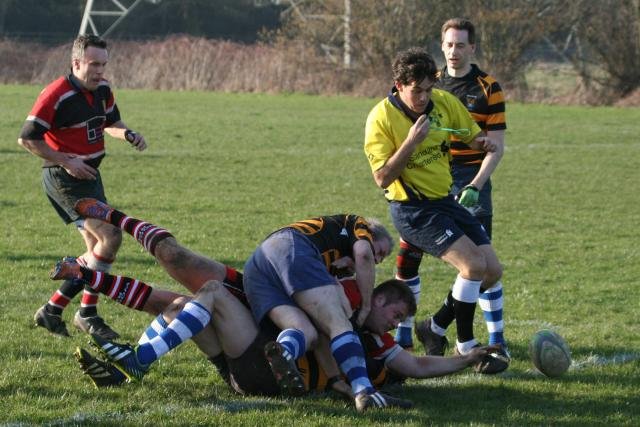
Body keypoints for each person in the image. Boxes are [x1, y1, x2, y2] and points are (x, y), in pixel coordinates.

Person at [363, 47, 509, 374]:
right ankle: (467, 346)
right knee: (473, 265)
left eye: (429, 89)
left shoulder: (443, 102)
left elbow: (471, 137)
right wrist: (411, 143)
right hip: (412, 209)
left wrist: (481, 143)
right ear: (399, 86)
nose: (424, 97)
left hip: (445, 200)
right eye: (417, 91)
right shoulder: (381, 118)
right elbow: (382, 177)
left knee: (492, 271)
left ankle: (435, 326)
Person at [18, 34, 148, 339]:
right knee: (111, 235)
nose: (100, 71)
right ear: (76, 63)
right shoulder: (56, 94)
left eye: (103, 64)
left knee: (96, 251)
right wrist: (66, 161)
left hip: (90, 177)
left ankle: (52, 309)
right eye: (94, 64)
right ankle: (87, 314)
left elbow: (111, 123)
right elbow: (27, 138)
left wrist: (128, 134)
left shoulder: (103, 90)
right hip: (64, 179)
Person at [241, 212, 416, 410]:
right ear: (370, 235)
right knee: (340, 323)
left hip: (257, 267)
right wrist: (366, 305)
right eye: (380, 252)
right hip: (291, 245)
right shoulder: (358, 224)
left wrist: (335, 380)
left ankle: (284, 352)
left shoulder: (332, 261)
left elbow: (322, 333)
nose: (377, 260)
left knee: (306, 332)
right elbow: (364, 254)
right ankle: (365, 391)